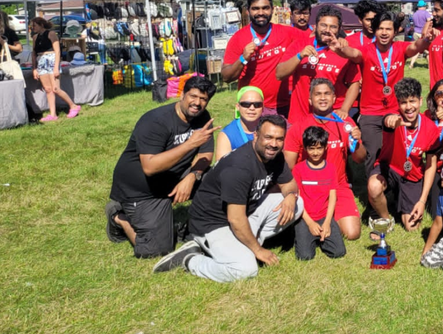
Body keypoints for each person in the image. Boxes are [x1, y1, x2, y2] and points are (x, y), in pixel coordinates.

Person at [152, 115, 304, 281]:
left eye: (279, 139)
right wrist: (258, 251)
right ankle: (191, 260)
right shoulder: (239, 167)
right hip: (213, 224)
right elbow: (235, 219)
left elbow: (290, 184)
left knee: (298, 204)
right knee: (245, 269)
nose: (273, 144)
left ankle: (242, 246)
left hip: (244, 212)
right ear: (256, 136)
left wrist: (290, 195)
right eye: (268, 137)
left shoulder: (274, 156)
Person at [106, 76, 217, 258]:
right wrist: (190, 144)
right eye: (193, 96)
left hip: (174, 177)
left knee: (215, 177)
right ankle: (119, 217)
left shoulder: (202, 117)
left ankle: (197, 227)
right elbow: (150, 167)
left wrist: (192, 177)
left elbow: (206, 154)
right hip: (141, 188)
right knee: (157, 251)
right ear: (182, 95)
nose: (197, 103)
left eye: (203, 99)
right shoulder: (155, 121)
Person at [337, 11, 433, 173]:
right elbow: (353, 53)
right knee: (373, 153)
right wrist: (339, 49)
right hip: (370, 113)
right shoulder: (367, 50)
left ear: (395, 31)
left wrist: (426, 40)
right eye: (380, 28)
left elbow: (416, 47)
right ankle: (373, 192)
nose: (384, 33)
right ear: (375, 30)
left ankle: (395, 186)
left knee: (398, 152)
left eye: (388, 29)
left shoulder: (400, 48)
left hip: (396, 111)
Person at [282, 78, 366, 240]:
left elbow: (360, 159)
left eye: (327, 94)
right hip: (307, 188)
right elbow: (289, 166)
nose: (322, 98)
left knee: (352, 233)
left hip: (337, 185)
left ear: (334, 98)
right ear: (310, 99)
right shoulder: (299, 126)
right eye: (317, 94)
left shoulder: (345, 123)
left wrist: (356, 141)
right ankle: (318, 218)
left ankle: (329, 217)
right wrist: (291, 194)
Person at [368, 78, 442, 231]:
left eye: (412, 101)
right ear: (398, 104)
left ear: (420, 100)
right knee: (374, 186)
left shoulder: (430, 128)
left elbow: (430, 165)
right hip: (389, 168)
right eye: (403, 102)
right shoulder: (394, 119)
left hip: (412, 175)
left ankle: (400, 199)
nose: (408, 107)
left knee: (411, 226)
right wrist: (391, 121)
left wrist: (422, 201)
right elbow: (388, 120)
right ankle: (386, 220)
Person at [276, 5, 362, 123]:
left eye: (333, 27)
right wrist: (299, 56)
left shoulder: (344, 50)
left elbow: (355, 83)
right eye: (323, 25)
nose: (327, 30)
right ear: (315, 26)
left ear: (339, 28)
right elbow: (279, 74)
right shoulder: (300, 44)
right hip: (300, 118)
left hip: (331, 118)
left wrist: (344, 109)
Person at [222, 0, 294, 117]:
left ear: (272, 9)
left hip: (283, 106)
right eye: (255, 9)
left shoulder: (287, 33)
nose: (261, 12)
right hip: (252, 108)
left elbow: (312, 36)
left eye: (265, 8)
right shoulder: (238, 38)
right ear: (248, 10)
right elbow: (226, 77)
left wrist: (341, 39)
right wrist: (243, 58)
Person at [292, 126, 348, 261]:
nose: (315, 152)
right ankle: (303, 236)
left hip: (324, 216)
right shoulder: (298, 169)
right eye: (311, 148)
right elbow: (296, 199)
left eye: (319, 148)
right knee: (305, 256)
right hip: (305, 217)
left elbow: (332, 196)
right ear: (305, 148)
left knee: (338, 252)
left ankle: (321, 237)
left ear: (325, 148)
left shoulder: (330, 168)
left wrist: (328, 222)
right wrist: (310, 223)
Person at [29, 17, 81, 122]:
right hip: (41, 61)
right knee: (48, 89)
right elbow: (34, 53)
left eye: (34, 25)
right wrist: (34, 68)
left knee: (55, 88)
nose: (32, 28)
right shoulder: (35, 37)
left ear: (41, 25)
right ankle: (53, 114)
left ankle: (73, 106)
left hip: (51, 60)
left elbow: (57, 51)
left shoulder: (51, 34)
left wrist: (56, 67)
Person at [214, 86, 265, 162]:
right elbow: (222, 169)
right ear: (238, 107)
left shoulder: (269, 129)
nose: (251, 108)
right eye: (246, 104)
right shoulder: (227, 135)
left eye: (257, 105)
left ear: (263, 107)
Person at [408, 0, 431, 68]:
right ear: (424, 6)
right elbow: (429, 21)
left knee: (417, 49)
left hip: (416, 32)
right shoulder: (426, 13)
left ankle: (411, 64)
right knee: (427, 49)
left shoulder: (414, 14)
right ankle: (430, 66)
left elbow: (412, 23)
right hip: (423, 33)